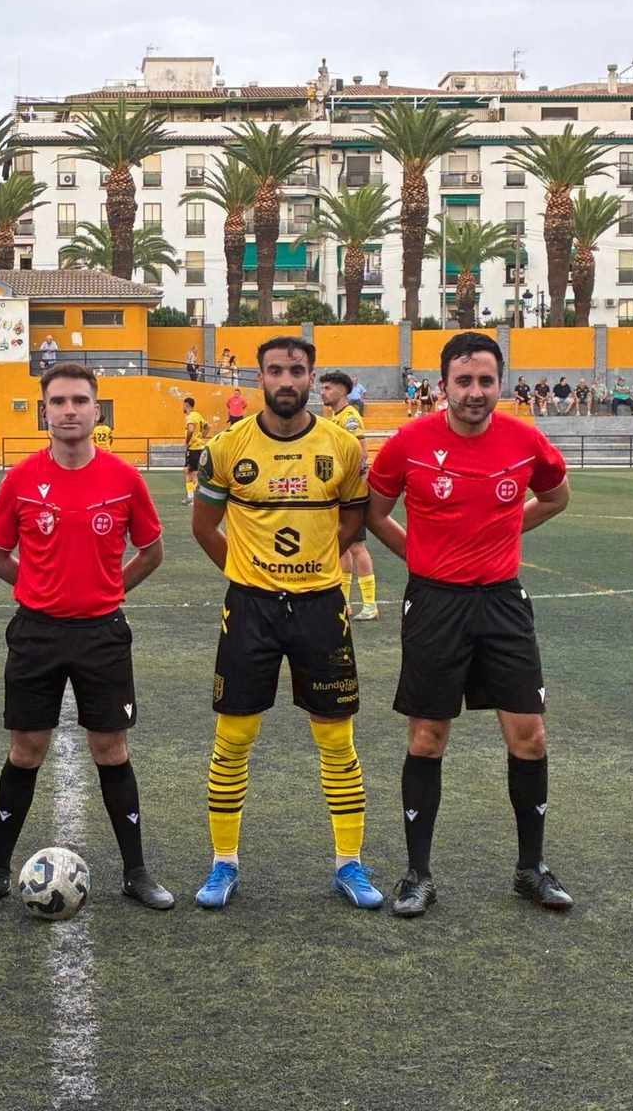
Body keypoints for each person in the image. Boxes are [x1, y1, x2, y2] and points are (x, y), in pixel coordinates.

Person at [365, 330, 575, 919]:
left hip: (503, 603)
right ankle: (418, 874)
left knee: (529, 735)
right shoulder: (407, 442)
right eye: (464, 381)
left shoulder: (526, 441)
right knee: (428, 736)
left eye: (486, 381)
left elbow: (557, 497)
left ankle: (531, 869)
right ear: (443, 386)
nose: (475, 392)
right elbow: (375, 514)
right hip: (434, 604)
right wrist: (420, 558)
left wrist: (508, 530)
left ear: (499, 384)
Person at [0, 361, 172, 913]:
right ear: (44, 412)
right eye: (58, 402)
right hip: (36, 633)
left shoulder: (125, 479)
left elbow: (152, 551)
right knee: (25, 750)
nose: (70, 411)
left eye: (80, 401)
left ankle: (136, 872)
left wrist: (109, 588)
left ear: (96, 410)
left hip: (102, 634)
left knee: (111, 749)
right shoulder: (20, 479)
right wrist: (38, 589)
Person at [191, 336, 382, 911]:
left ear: (310, 375)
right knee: (233, 739)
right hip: (250, 609)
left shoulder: (343, 447)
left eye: (296, 371)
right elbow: (204, 526)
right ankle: (224, 862)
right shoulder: (227, 447)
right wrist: (249, 573)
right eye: (275, 370)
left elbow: (354, 520)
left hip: (322, 608)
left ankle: (349, 862)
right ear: (260, 377)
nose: (286, 380)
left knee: (336, 740)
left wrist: (320, 563)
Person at [321, 371, 378, 622]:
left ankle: (370, 604)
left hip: (351, 496)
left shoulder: (350, 417)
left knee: (356, 547)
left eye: (327, 388)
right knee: (341, 546)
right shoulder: (334, 418)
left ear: (342, 391)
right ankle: (343, 603)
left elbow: (360, 454)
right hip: (338, 493)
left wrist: (354, 486)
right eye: (322, 388)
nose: (323, 392)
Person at [181, 396, 210, 505]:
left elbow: (191, 429)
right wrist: (201, 437)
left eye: (183, 405)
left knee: (192, 473)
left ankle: (193, 498)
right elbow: (208, 427)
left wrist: (187, 442)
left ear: (186, 405)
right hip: (200, 447)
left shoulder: (190, 417)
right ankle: (192, 497)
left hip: (193, 448)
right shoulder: (198, 415)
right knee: (189, 471)